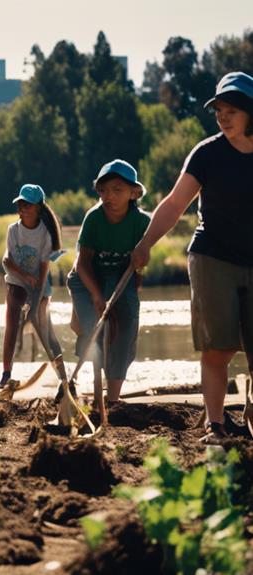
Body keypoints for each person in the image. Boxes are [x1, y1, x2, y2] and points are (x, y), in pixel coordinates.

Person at [131, 71, 253, 444]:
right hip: (212, 258)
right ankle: (215, 425)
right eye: (219, 110)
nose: (223, 116)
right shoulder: (207, 153)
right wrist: (145, 242)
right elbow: (173, 205)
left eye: (231, 109)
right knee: (219, 347)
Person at [70, 160, 150, 411]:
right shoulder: (94, 218)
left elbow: (139, 266)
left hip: (120, 279)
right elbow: (82, 264)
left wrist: (131, 294)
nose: (109, 196)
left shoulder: (141, 222)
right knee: (96, 330)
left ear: (133, 193)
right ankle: (94, 394)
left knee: (125, 328)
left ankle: (112, 400)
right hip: (86, 279)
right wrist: (96, 297)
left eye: (117, 190)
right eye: (103, 190)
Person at [0, 184, 68, 392]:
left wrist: (34, 301)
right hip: (17, 280)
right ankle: (6, 374)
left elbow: (43, 272)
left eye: (27, 205)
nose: (23, 209)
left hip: (39, 283)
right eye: (20, 205)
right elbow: (7, 262)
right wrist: (24, 276)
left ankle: (64, 381)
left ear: (38, 207)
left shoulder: (45, 234)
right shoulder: (13, 230)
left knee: (47, 334)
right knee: (12, 323)